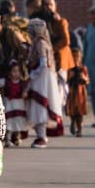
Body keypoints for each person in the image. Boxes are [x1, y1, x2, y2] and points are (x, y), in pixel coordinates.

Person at [24, 18, 65, 147]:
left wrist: (33, 74)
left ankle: (42, 136)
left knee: (40, 104)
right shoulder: (37, 43)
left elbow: (43, 62)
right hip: (40, 75)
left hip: (42, 77)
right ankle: (40, 135)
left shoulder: (41, 43)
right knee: (35, 104)